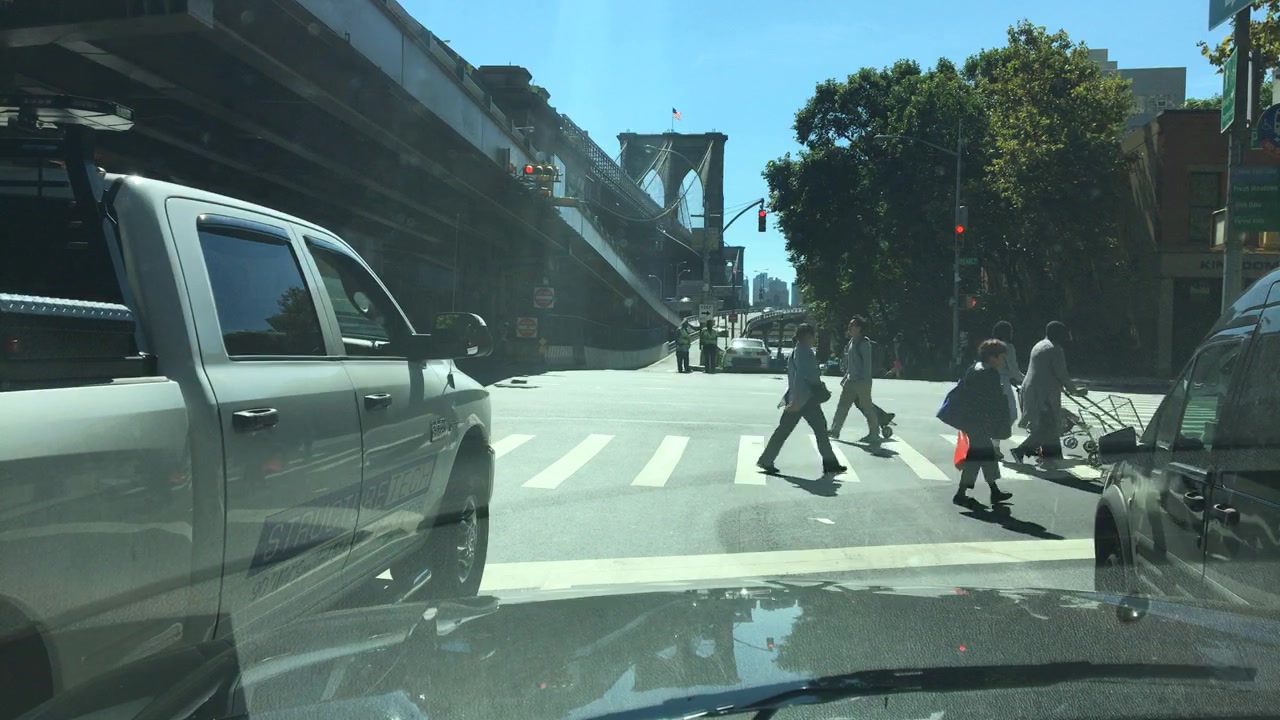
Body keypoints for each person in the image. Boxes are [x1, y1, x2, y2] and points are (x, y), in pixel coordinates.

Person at [757, 323, 846, 475]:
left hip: (799, 397)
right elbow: (803, 376)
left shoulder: (797, 351)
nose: (815, 339)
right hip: (805, 399)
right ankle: (830, 463)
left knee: (786, 430)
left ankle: (767, 459)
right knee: (819, 430)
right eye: (813, 336)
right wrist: (800, 398)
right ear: (807, 336)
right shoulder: (804, 352)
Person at [1012, 321, 1085, 467]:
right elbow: (1061, 373)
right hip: (1043, 394)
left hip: (1032, 390)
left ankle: (1052, 457)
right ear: (1058, 334)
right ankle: (1021, 451)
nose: (1066, 337)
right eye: (1064, 334)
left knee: (1048, 425)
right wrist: (1074, 390)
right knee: (1048, 427)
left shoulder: (1039, 345)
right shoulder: (1055, 349)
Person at [953, 339, 1015, 506]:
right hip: (980, 422)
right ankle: (961, 493)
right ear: (993, 357)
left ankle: (993, 491)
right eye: (1001, 357)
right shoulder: (989, 373)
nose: (1002, 362)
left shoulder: (974, 368)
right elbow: (993, 401)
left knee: (985, 456)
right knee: (978, 457)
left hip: (970, 420)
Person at [829, 316, 880, 445]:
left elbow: (867, 365)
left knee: (867, 407)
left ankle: (874, 433)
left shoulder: (864, 343)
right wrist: (845, 377)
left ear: (859, 328)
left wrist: (865, 382)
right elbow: (851, 364)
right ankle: (835, 430)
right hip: (851, 380)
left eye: (852, 325)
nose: (849, 327)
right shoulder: (851, 342)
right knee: (842, 406)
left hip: (861, 382)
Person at [990, 321, 1025, 459]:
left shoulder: (989, 346)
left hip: (987, 381)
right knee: (1010, 414)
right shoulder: (1008, 348)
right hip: (1002, 383)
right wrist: (1027, 380)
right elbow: (1014, 371)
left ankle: (993, 445)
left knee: (995, 414)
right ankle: (993, 444)